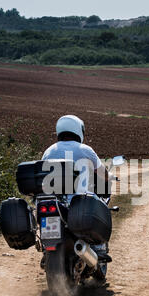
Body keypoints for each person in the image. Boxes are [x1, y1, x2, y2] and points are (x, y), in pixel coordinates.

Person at [41, 114, 112, 273]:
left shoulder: (49, 151)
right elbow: (103, 175)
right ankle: (99, 247)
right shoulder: (85, 150)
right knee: (98, 204)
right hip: (79, 203)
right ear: (79, 131)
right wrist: (109, 176)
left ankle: (47, 249)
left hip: (52, 201)